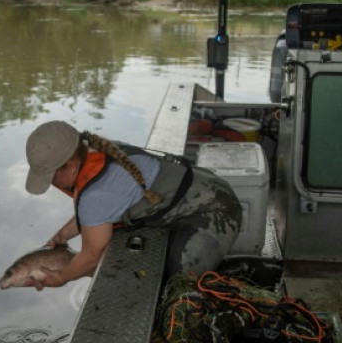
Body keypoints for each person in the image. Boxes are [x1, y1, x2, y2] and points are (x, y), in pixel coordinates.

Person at [23, 120, 242, 288]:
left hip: (214, 212)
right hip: (204, 186)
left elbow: (90, 259)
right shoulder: (95, 149)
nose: (51, 184)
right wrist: (63, 236)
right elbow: (105, 205)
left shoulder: (96, 197)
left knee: (177, 287)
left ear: (70, 166)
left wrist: (61, 278)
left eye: (51, 177)